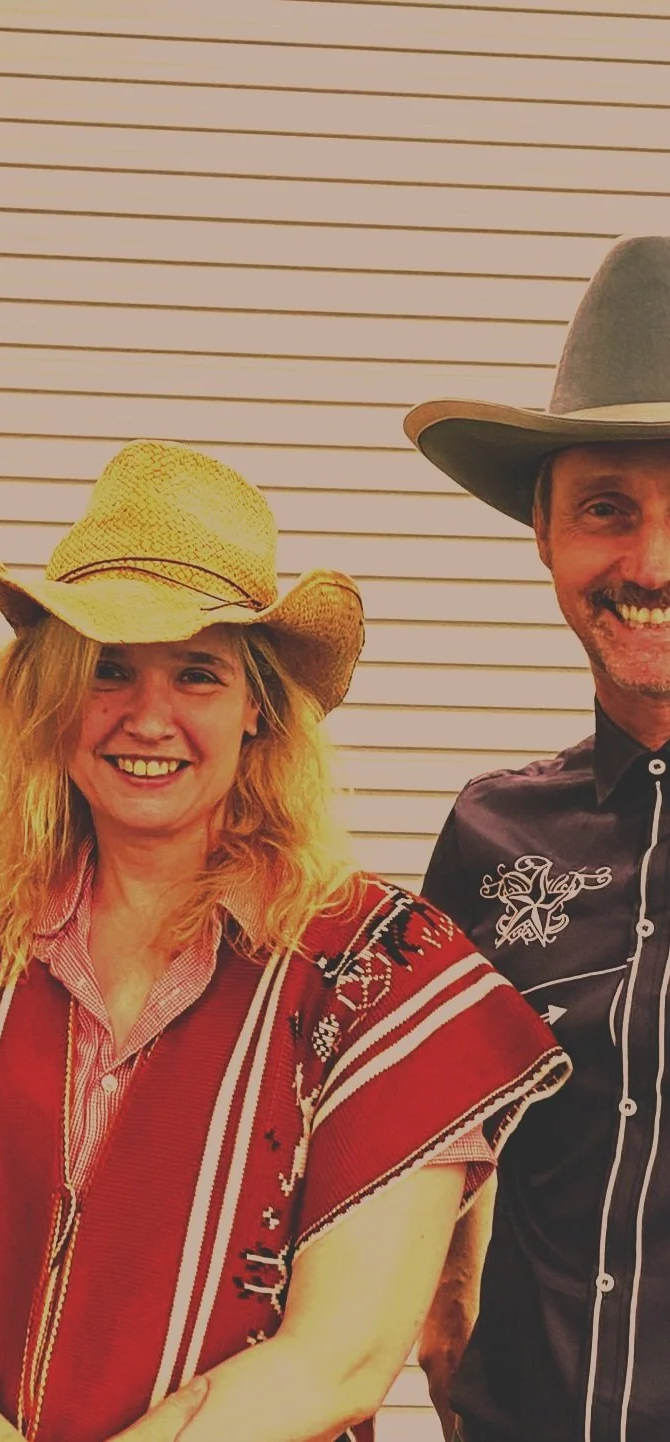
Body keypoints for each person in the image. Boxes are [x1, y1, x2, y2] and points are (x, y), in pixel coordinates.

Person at [0, 439, 568, 1442]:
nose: (148, 714)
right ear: (53, 695)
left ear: (258, 705)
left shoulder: (385, 973)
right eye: (109, 667)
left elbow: (339, 1357)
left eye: (198, 672)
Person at [406, 234, 670, 1442]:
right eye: (605, 509)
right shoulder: (488, 833)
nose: (648, 563)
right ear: (543, 536)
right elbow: (429, 1131)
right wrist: (440, 1308)